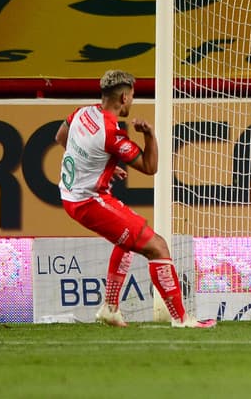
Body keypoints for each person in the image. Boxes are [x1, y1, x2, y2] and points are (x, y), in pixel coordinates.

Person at [57, 69, 214, 328]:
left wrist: (97, 164)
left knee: (128, 237)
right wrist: (149, 134)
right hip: (89, 202)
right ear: (123, 97)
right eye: (132, 96)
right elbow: (151, 167)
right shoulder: (112, 134)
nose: (132, 101)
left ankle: (110, 308)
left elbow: (61, 137)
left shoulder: (82, 113)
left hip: (71, 194)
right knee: (158, 247)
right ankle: (182, 320)